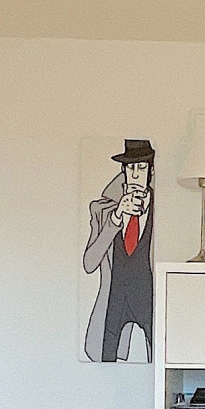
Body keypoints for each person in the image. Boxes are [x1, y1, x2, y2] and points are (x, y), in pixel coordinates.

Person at [83, 140, 157, 360]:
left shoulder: (164, 210)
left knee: (159, 360)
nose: (135, 174)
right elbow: (89, 263)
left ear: (151, 171)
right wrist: (116, 217)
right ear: (123, 171)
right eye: (130, 167)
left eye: (141, 167)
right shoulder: (103, 211)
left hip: (149, 298)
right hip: (115, 296)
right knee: (106, 357)